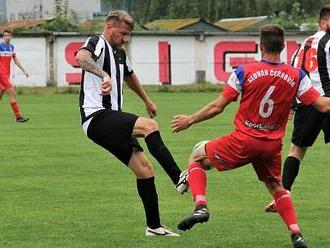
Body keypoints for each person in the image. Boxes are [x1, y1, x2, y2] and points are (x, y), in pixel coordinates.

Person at [171, 24, 330, 248]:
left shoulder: (244, 71)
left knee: (197, 155)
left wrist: (190, 119)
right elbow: (323, 105)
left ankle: (200, 206)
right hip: (272, 145)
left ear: (260, 46)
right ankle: (296, 234)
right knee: (277, 188)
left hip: (243, 141)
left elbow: (217, 107)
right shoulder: (297, 75)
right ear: (283, 46)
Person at [76, 10, 188, 236]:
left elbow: (129, 75)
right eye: (123, 33)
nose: (125, 38)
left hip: (108, 118)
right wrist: (103, 75)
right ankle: (178, 177)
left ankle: (154, 227)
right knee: (149, 126)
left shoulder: (119, 52)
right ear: (110, 27)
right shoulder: (97, 41)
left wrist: (147, 100)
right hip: (96, 115)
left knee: (144, 169)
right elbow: (81, 58)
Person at [264, 5, 330, 213]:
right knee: (297, 150)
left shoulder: (303, 44)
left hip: (306, 102)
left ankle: (283, 196)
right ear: (323, 22)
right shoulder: (328, 41)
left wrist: (294, 103)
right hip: (327, 101)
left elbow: (295, 71)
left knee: (297, 151)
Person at [0, 29, 29, 122]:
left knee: (1, 93)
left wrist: (24, 70)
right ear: (3, 37)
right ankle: (18, 117)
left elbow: (15, 60)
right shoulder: (0, 46)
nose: (7, 37)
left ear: (11, 37)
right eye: (5, 35)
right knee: (12, 93)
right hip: (1, 74)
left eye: (9, 35)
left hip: (6, 74)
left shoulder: (11, 47)